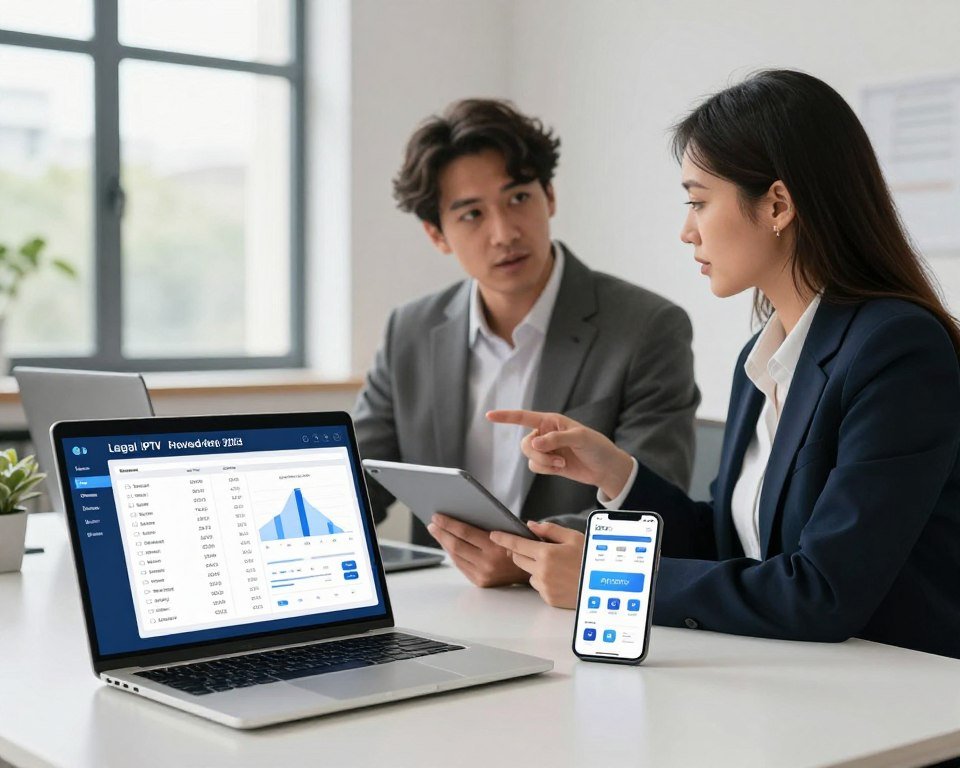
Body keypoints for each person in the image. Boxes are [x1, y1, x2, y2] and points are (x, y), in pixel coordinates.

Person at [487, 70, 960, 659]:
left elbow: (824, 590)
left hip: (904, 697)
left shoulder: (898, 350)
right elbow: (729, 545)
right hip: (797, 677)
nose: (687, 231)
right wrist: (617, 474)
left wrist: (609, 582)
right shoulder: (761, 358)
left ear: (777, 205)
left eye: (698, 201)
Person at [353, 98, 700, 588]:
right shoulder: (409, 329)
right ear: (437, 235)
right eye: (472, 214)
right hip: (443, 603)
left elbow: (651, 499)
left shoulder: (648, 327)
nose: (504, 233)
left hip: (568, 604)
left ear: (549, 196)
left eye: (518, 198)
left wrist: (525, 556)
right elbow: (358, 484)